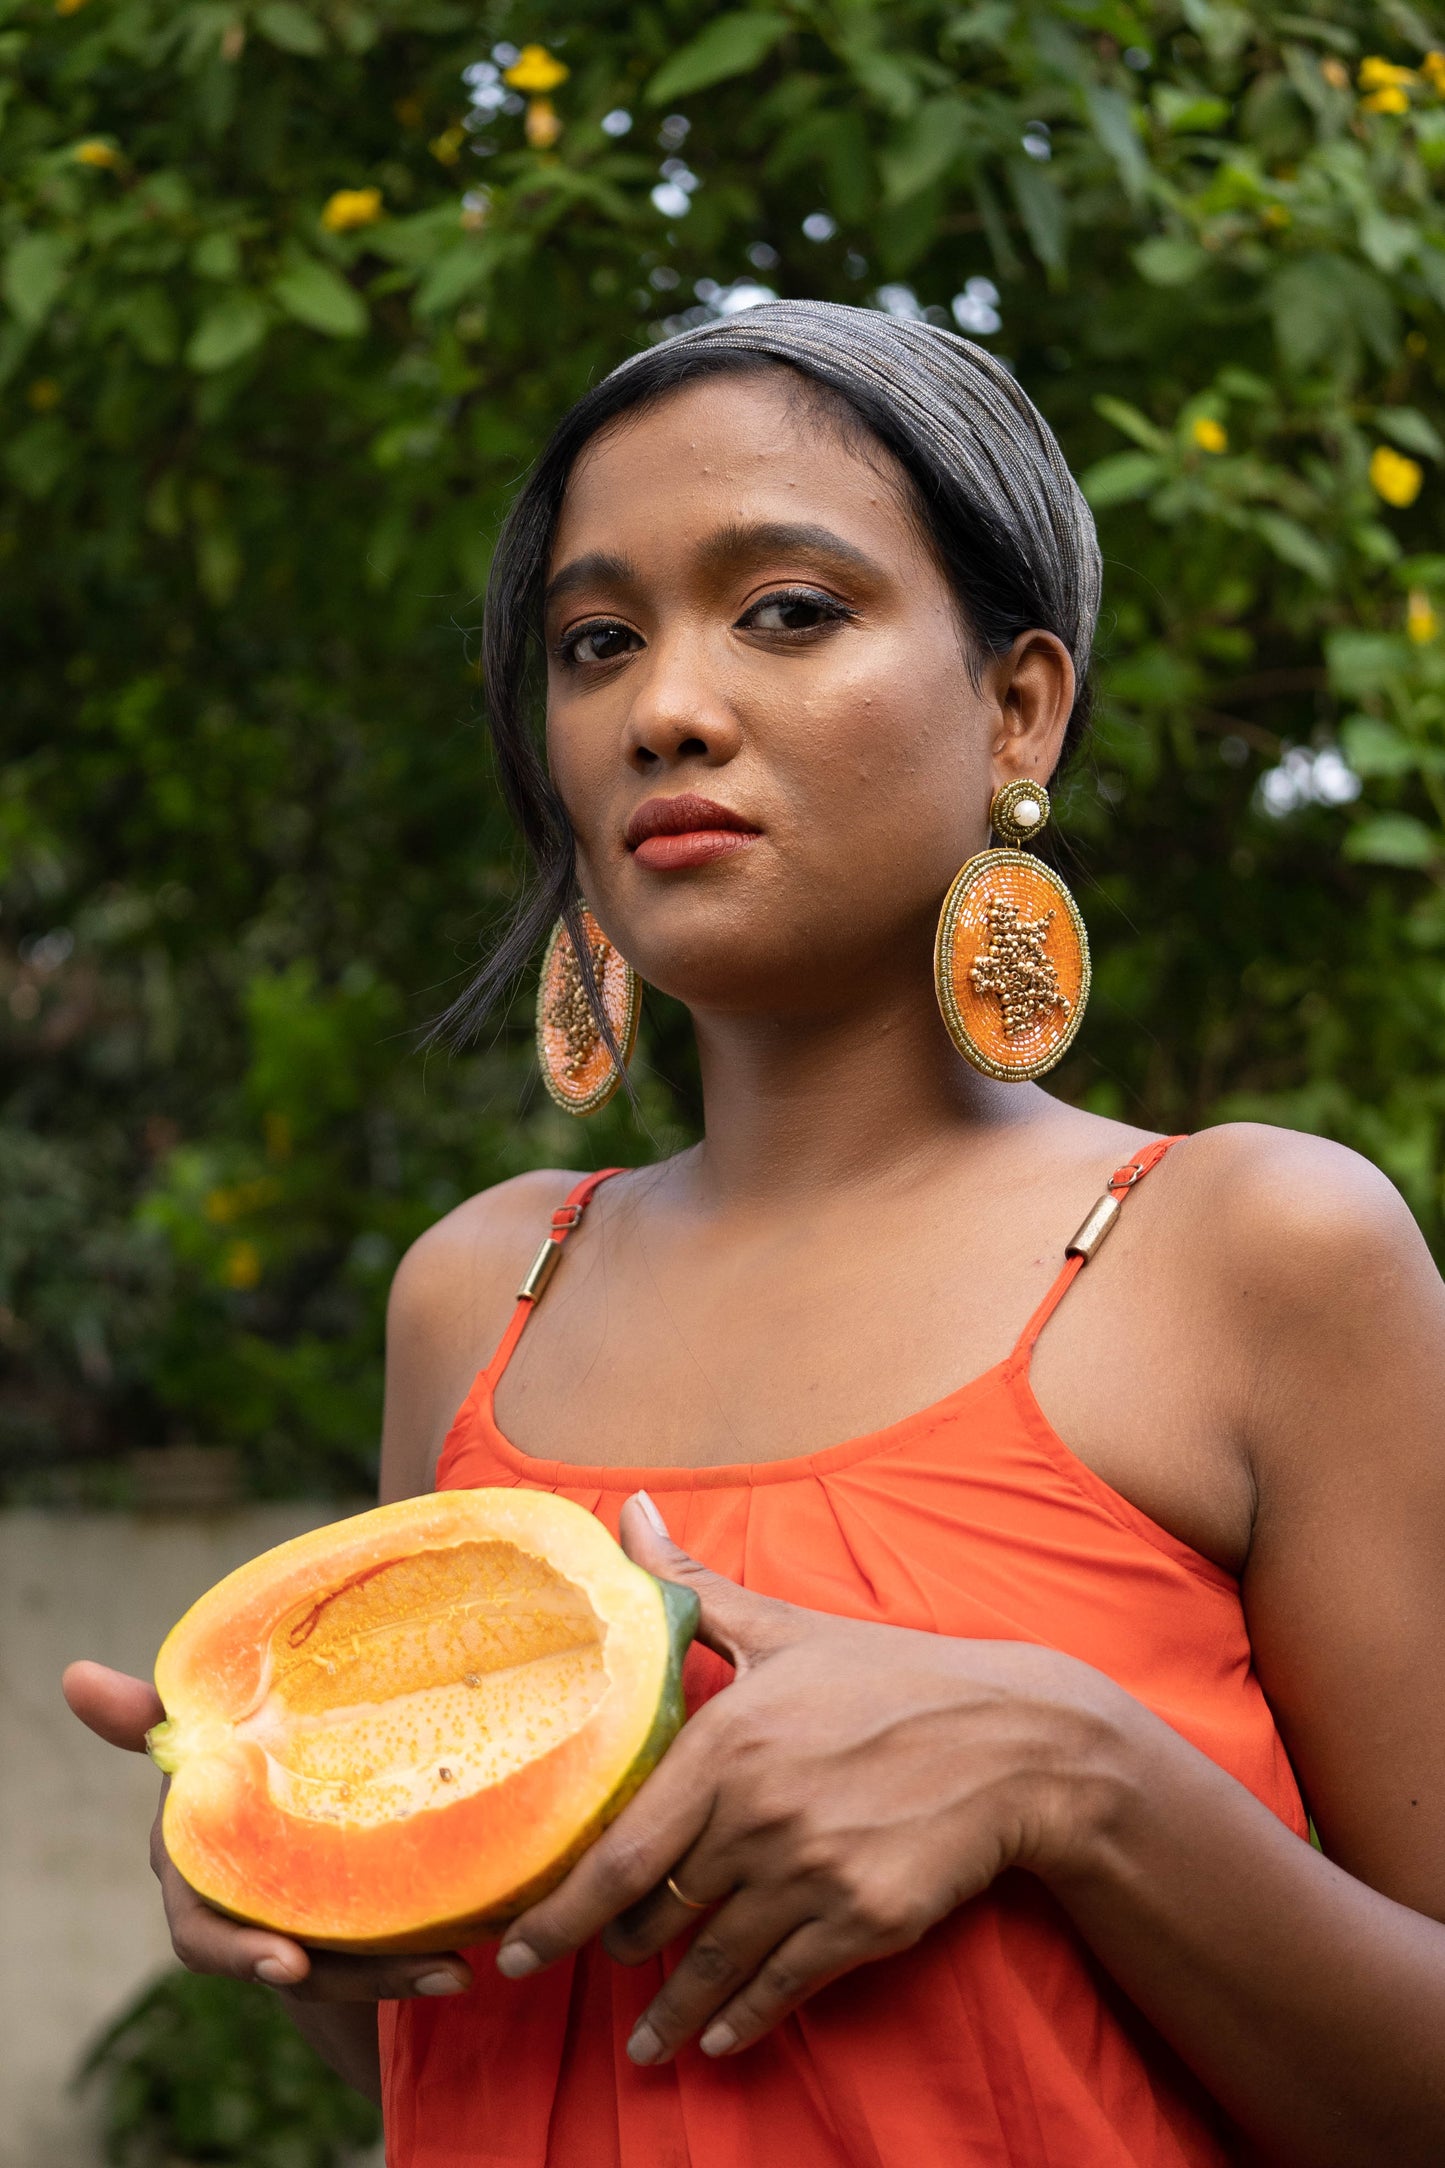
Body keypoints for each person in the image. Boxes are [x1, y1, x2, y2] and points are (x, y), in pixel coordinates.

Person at [66, 302, 1445, 2167]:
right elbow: (515, 2069)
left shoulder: (1254, 1252)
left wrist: (1075, 1773)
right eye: (595, 641)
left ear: (1016, 704)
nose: (665, 708)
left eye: (787, 610)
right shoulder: (477, 1287)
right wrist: (304, 1899)